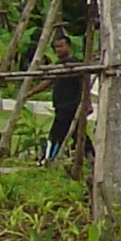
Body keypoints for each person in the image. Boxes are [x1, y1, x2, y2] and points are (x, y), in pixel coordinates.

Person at [43, 31, 87, 163]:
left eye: (61, 46)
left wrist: (87, 103)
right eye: (56, 47)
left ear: (68, 46)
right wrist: (28, 93)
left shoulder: (76, 64)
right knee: (77, 134)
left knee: (56, 134)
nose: (58, 49)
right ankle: (90, 156)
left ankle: (49, 159)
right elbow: (48, 81)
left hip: (71, 105)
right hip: (61, 105)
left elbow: (85, 84)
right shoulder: (58, 66)